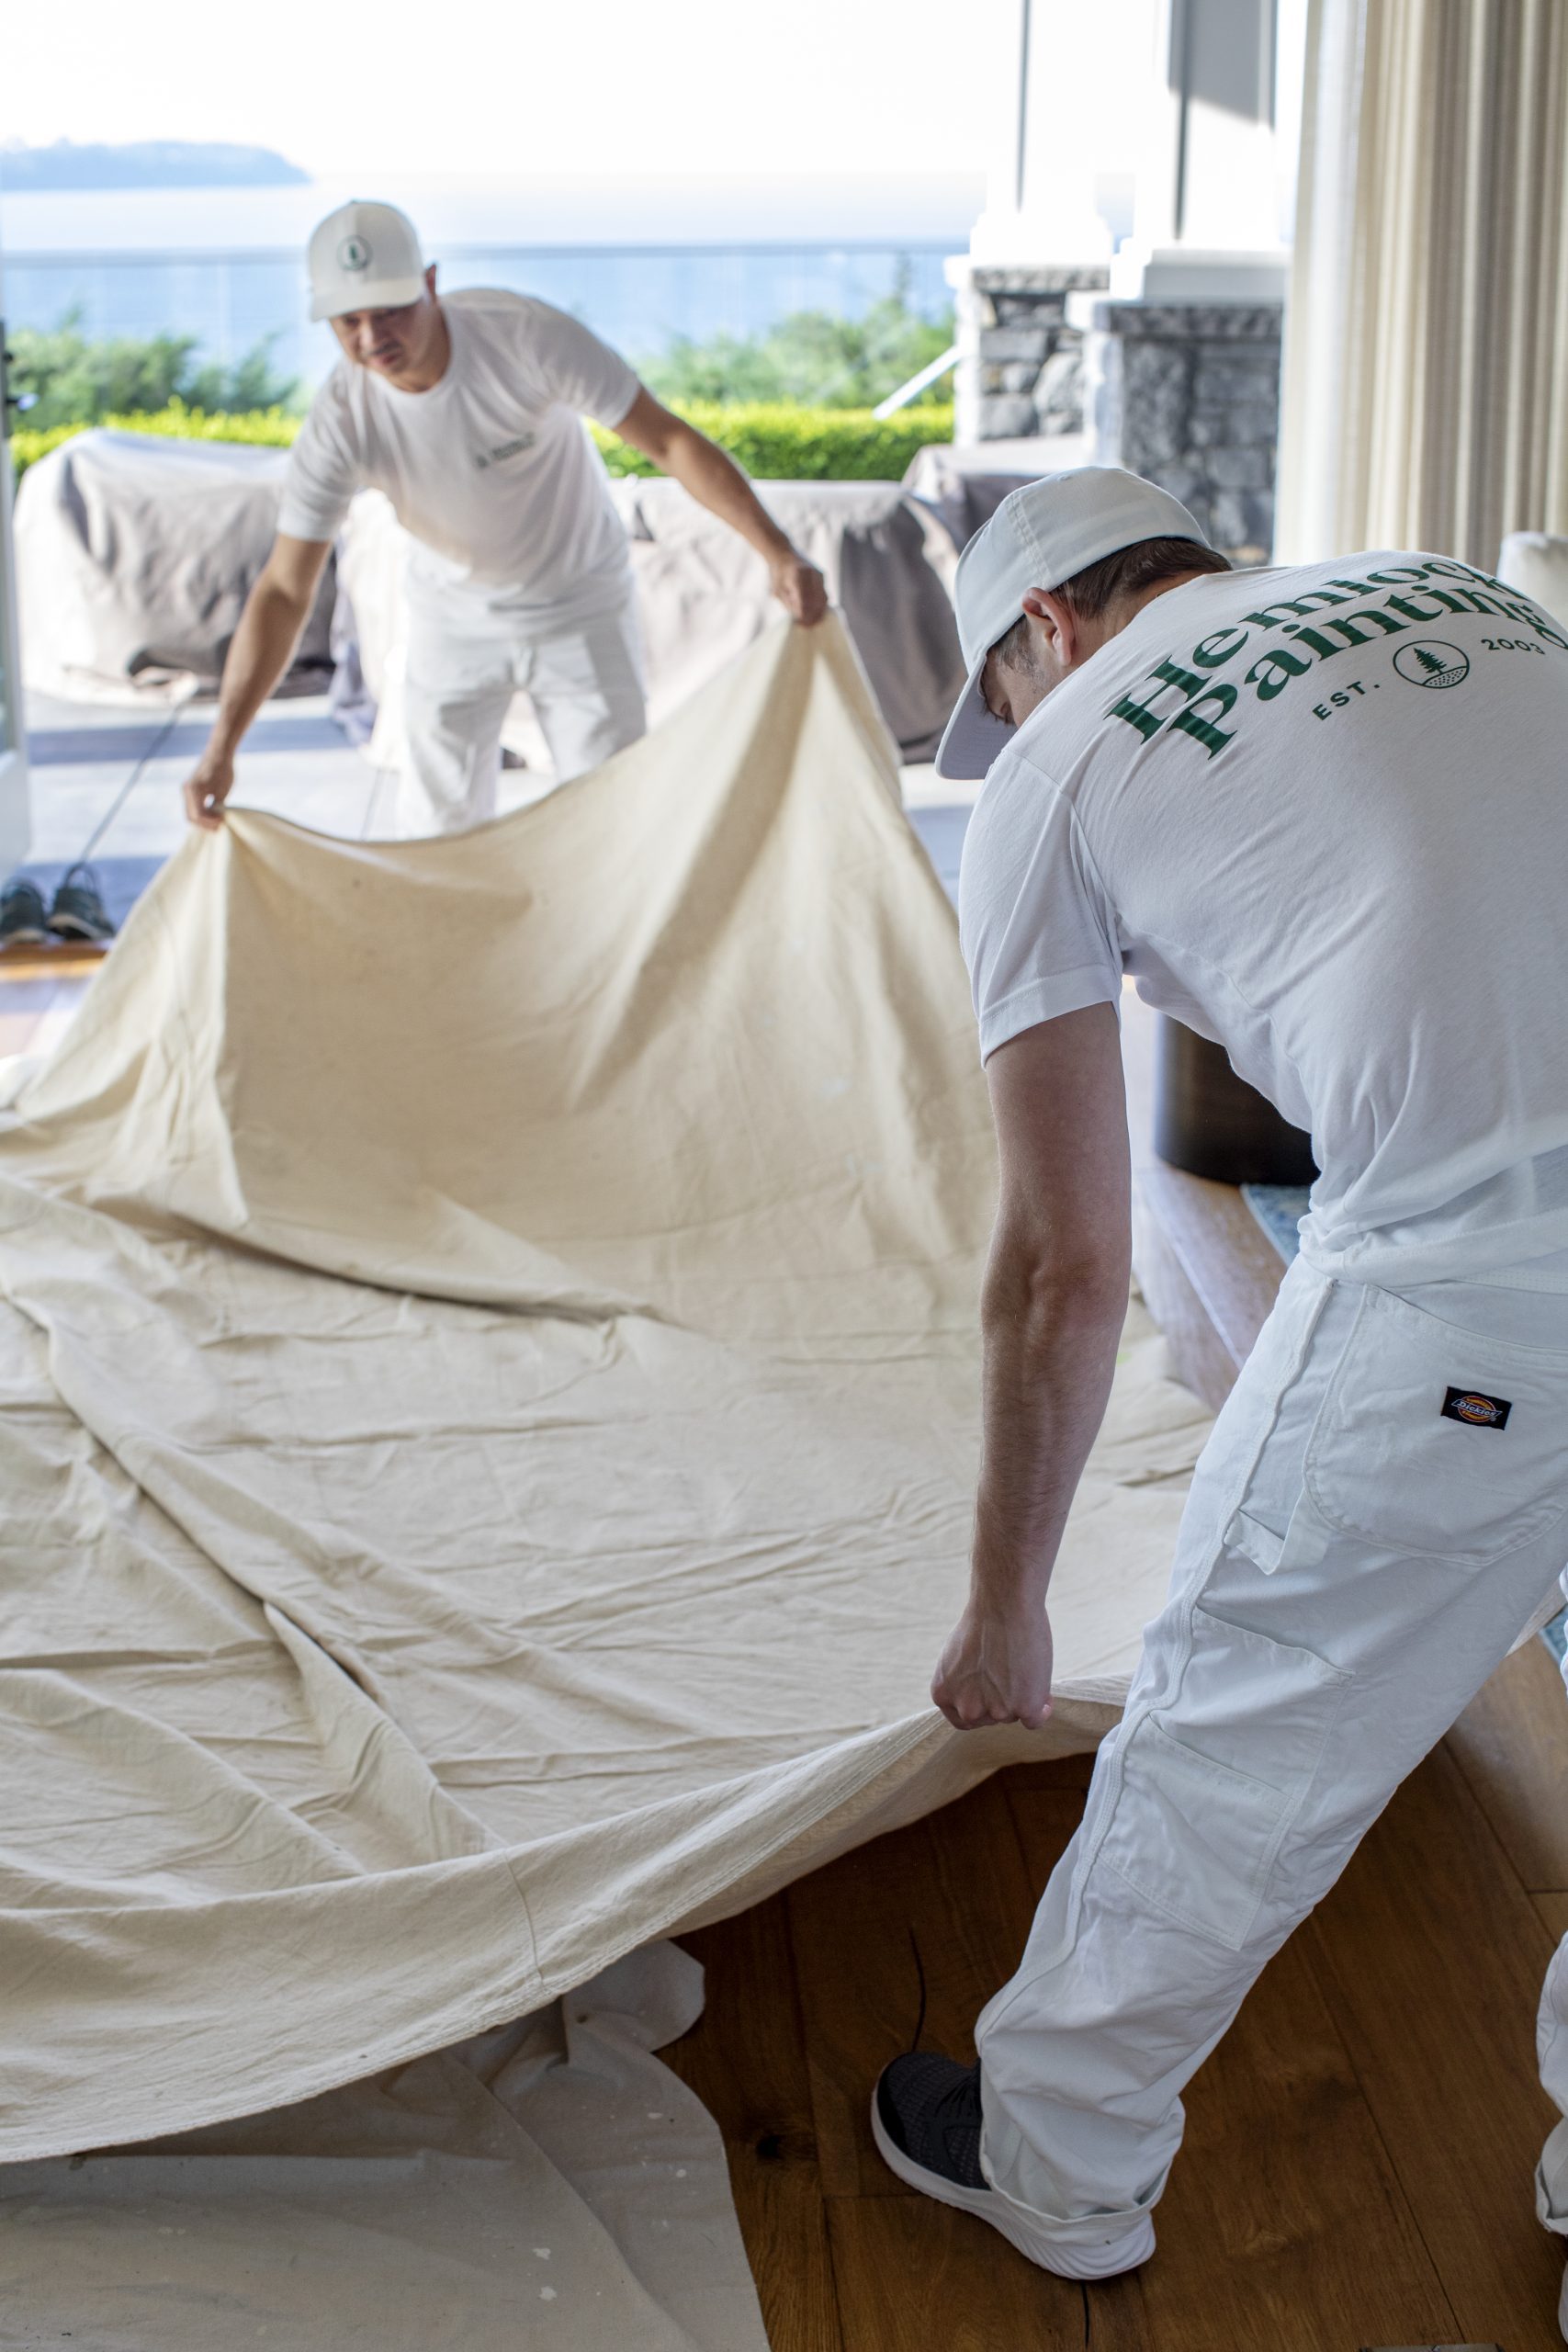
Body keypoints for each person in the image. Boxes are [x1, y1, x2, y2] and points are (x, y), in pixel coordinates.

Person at [870, 466, 1568, 2314]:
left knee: (1233, 1717)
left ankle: (1056, 2158)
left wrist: (1007, 1599)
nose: (1008, 724)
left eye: (1003, 689)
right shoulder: (1447, 587)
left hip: (1481, 1268)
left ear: (1044, 625)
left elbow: (1061, 1265)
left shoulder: (1059, 760)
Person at [182, 200, 827, 835]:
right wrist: (220, 751)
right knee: (438, 834)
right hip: (451, 619)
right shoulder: (341, 422)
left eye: (390, 311)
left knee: (612, 818)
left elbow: (666, 440)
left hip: (579, 602)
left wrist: (778, 552)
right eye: (347, 320)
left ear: (431, 284)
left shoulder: (523, 336)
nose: (371, 338)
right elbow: (285, 589)